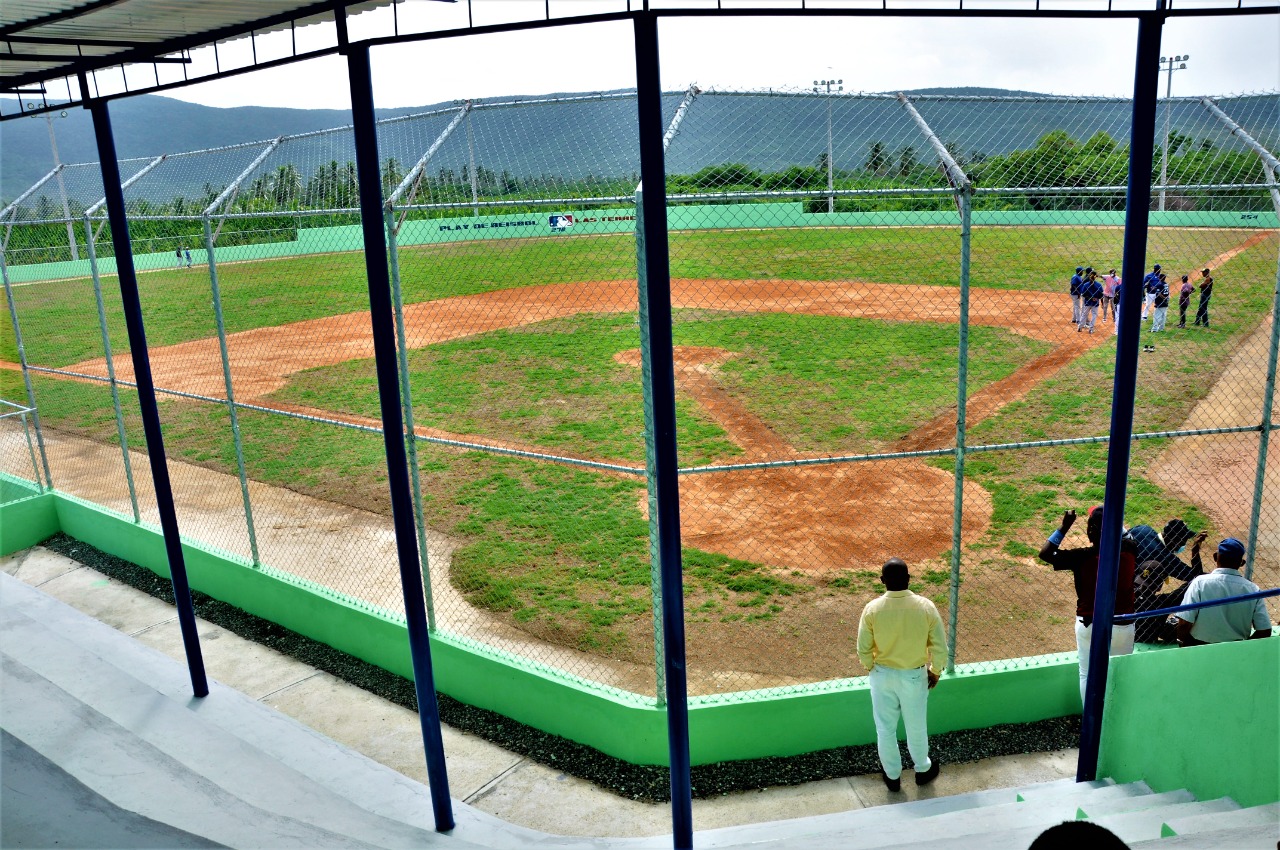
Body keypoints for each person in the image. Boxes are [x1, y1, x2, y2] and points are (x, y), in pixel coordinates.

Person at [856, 557, 947, 792]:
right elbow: (939, 646)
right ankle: (922, 769)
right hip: (914, 675)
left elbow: (863, 647)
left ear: (882, 580)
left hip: (882, 674)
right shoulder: (925, 606)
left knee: (885, 728)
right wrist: (935, 671)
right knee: (916, 726)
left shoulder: (873, 609)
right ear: (908, 579)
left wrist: (871, 667)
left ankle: (892, 776)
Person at [1038, 506, 1137, 703]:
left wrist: (1064, 527)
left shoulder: (1081, 556)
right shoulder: (1130, 549)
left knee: (1087, 674)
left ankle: (1091, 725)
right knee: (1120, 674)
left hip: (1089, 623)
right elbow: (1127, 535)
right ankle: (1115, 720)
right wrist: (1113, 518)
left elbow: (1046, 554)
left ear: (1090, 531)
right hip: (1123, 623)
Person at [1176, 538, 1273, 645]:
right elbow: (1264, 631)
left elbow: (1184, 624)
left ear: (1215, 557)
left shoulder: (1199, 583)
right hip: (1235, 650)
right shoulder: (1253, 590)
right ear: (1242, 563)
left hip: (1200, 647)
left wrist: (1183, 644)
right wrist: (1243, 648)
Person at [1126, 519, 1203, 643]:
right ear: (1176, 541)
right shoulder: (1166, 558)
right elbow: (1196, 576)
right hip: (1147, 609)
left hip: (1122, 589)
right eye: (1183, 540)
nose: (1184, 544)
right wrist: (1195, 551)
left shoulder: (1143, 530)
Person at [1078, 269, 1103, 333]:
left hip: (1087, 302)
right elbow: (1101, 295)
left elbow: (1083, 294)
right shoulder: (1099, 285)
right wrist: (1096, 298)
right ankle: (1091, 329)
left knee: (1084, 314)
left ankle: (1080, 327)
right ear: (1096, 277)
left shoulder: (1086, 284)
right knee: (1094, 315)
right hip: (1095, 303)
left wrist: (1089, 298)